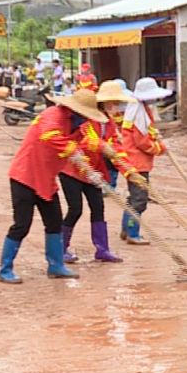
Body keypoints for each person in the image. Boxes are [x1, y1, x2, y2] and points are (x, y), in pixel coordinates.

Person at [0, 89, 116, 284]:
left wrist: (101, 151)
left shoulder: (77, 124)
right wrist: (72, 150)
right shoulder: (53, 115)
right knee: (21, 225)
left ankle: (56, 265)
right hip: (25, 176)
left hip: (47, 179)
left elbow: (85, 142)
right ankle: (5, 269)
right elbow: (49, 136)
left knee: (54, 222)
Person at [59, 82, 137, 264]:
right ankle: (61, 248)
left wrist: (130, 171)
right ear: (105, 102)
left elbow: (116, 147)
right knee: (75, 209)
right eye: (113, 102)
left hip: (94, 171)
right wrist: (104, 147)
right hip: (73, 169)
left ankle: (102, 250)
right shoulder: (87, 117)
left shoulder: (109, 123)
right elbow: (86, 140)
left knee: (98, 208)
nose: (116, 106)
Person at [118, 77, 172, 245]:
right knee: (139, 199)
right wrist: (159, 148)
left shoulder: (139, 109)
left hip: (134, 161)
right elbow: (142, 142)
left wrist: (155, 137)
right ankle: (133, 233)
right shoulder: (138, 112)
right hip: (137, 162)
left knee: (134, 197)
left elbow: (146, 133)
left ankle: (126, 229)